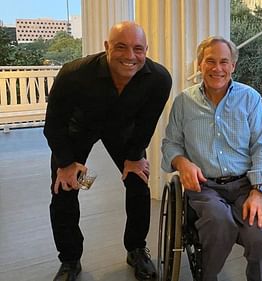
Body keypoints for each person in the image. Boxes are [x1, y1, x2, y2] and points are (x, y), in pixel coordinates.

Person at [43, 21, 172, 281]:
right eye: (121, 47)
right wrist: (67, 163)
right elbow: (53, 125)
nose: (130, 56)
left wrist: (135, 157)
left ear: (146, 49)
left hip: (122, 133)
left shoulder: (159, 79)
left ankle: (136, 249)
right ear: (106, 47)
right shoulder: (74, 73)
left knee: (138, 183)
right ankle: (70, 259)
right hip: (78, 131)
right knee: (65, 189)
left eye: (138, 49)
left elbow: (146, 123)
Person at [161, 36, 262, 281]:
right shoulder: (183, 102)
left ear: (233, 65)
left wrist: (258, 192)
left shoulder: (250, 98)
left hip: (247, 184)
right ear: (199, 65)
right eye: (210, 61)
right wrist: (182, 163)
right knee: (219, 222)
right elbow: (171, 143)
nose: (217, 68)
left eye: (224, 62)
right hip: (205, 186)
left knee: (257, 236)